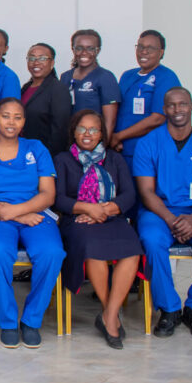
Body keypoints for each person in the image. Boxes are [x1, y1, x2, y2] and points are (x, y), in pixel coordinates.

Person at [0, 98, 65, 349]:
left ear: (23, 122)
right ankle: (8, 322)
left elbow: (48, 195)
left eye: (17, 117)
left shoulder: (37, 148)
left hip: (35, 213)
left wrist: (18, 211)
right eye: (6, 116)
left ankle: (31, 320)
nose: (11, 122)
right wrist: (16, 215)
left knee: (52, 252)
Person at [133, 87, 192, 340]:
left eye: (183, 104)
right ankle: (169, 309)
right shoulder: (148, 143)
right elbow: (146, 191)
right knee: (152, 239)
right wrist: (171, 220)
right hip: (159, 211)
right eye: (172, 105)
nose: (177, 109)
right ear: (164, 109)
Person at [53, 110, 141, 349]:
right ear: (74, 132)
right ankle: (110, 314)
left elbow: (129, 194)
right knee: (93, 250)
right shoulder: (62, 160)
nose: (87, 134)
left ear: (102, 134)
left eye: (94, 129)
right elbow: (58, 198)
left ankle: (109, 314)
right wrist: (87, 208)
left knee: (132, 251)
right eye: (82, 129)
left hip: (112, 218)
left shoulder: (115, 159)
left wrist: (106, 209)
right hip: (77, 221)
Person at [111, 30, 181, 170]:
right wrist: (113, 138)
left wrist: (118, 136)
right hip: (122, 150)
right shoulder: (127, 75)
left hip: (149, 151)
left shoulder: (166, 77)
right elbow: (116, 109)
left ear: (161, 52)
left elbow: (157, 118)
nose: (144, 51)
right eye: (140, 46)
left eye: (150, 48)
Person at [58, 29, 121, 144]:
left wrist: (103, 146)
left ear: (98, 50)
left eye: (90, 48)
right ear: (73, 49)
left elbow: (110, 121)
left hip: (93, 142)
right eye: (79, 48)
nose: (84, 52)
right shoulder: (65, 77)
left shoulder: (105, 77)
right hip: (69, 142)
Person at [20, 43, 72, 159]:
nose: (36, 62)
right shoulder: (25, 88)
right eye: (32, 58)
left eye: (42, 58)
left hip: (45, 156)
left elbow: (60, 130)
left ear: (52, 63)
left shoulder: (58, 89)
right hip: (24, 152)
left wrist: (46, 158)